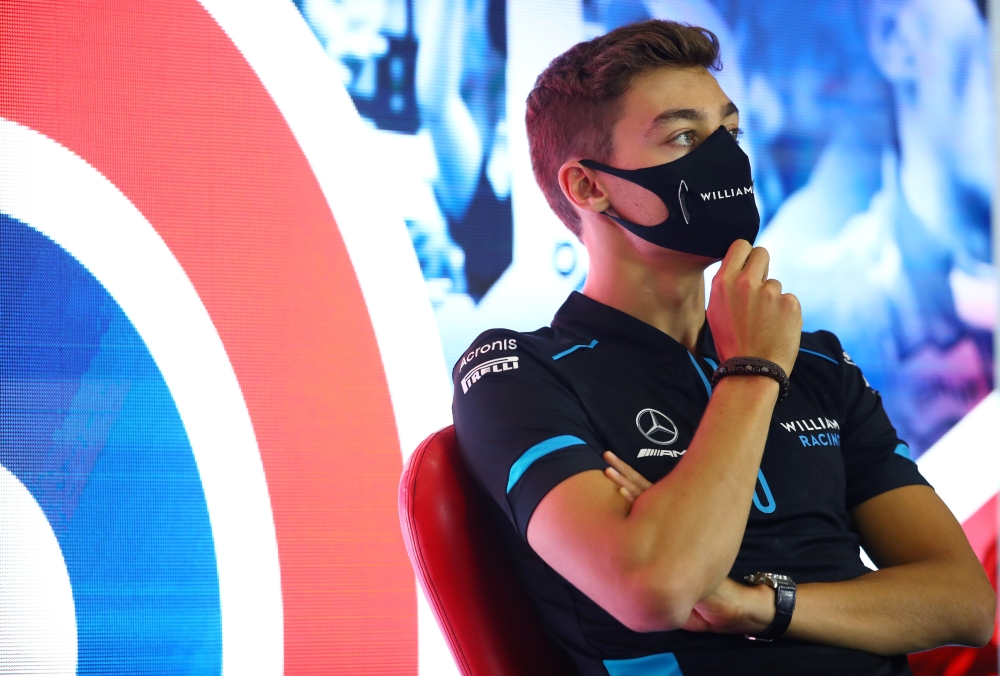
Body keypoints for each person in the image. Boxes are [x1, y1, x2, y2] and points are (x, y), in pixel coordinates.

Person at [452, 20, 994, 676]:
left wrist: (760, 606)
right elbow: (656, 586)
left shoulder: (816, 359)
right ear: (589, 187)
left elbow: (964, 603)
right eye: (684, 136)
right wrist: (752, 372)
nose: (727, 160)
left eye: (728, 133)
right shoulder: (517, 372)